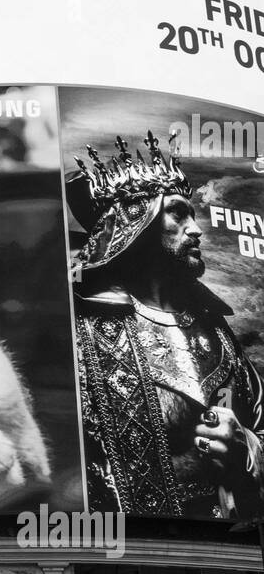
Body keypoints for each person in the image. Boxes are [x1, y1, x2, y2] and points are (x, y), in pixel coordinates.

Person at [66, 132, 264, 519]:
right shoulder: (81, 335)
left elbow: (260, 422)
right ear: (134, 223)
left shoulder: (218, 333)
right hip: (137, 556)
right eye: (177, 213)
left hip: (232, 548)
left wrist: (249, 450)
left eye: (193, 214)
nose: (196, 229)